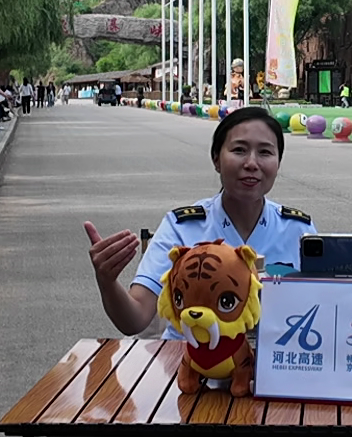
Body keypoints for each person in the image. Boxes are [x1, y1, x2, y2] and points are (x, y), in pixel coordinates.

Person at [85, 107, 317, 337]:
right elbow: (135, 319)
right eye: (239, 150)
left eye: (265, 152)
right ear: (216, 159)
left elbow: (322, 313)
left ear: (278, 162)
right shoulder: (182, 227)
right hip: (187, 357)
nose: (251, 163)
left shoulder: (299, 229)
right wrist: (107, 281)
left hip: (276, 358)